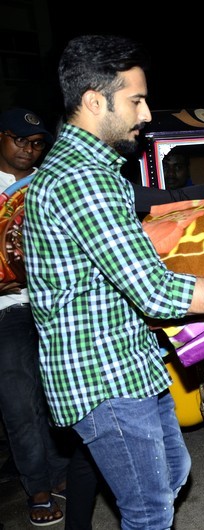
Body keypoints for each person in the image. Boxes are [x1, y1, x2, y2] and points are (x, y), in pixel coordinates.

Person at [22, 34, 204, 530]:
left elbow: (162, 217)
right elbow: (159, 292)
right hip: (103, 379)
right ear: (93, 100)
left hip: (129, 364)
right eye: (137, 100)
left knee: (174, 473)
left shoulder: (95, 171)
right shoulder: (83, 179)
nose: (146, 115)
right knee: (149, 510)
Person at [0, 107, 70, 526]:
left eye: (38, 143)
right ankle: (38, 488)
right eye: (20, 140)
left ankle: (60, 475)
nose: (29, 149)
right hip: (6, 311)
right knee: (19, 402)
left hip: (52, 304)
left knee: (57, 393)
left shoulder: (47, 183)